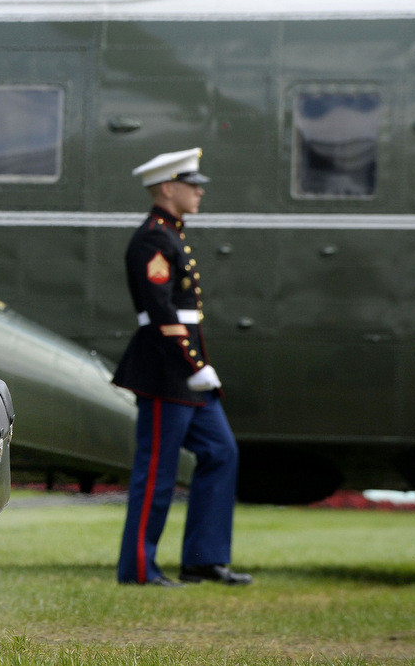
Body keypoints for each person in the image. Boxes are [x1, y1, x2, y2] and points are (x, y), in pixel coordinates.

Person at [111, 148, 252, 588]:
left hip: (188, 371)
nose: (200, 191)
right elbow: (162, 313)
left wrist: (197, 367)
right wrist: (194, 365)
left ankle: (203, 560)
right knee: (157, 471)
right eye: (193, 185)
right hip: (167, 370)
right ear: (168, 188)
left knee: (222, 452)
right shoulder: (154, 237)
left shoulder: (172, 234)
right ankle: (138, 569)